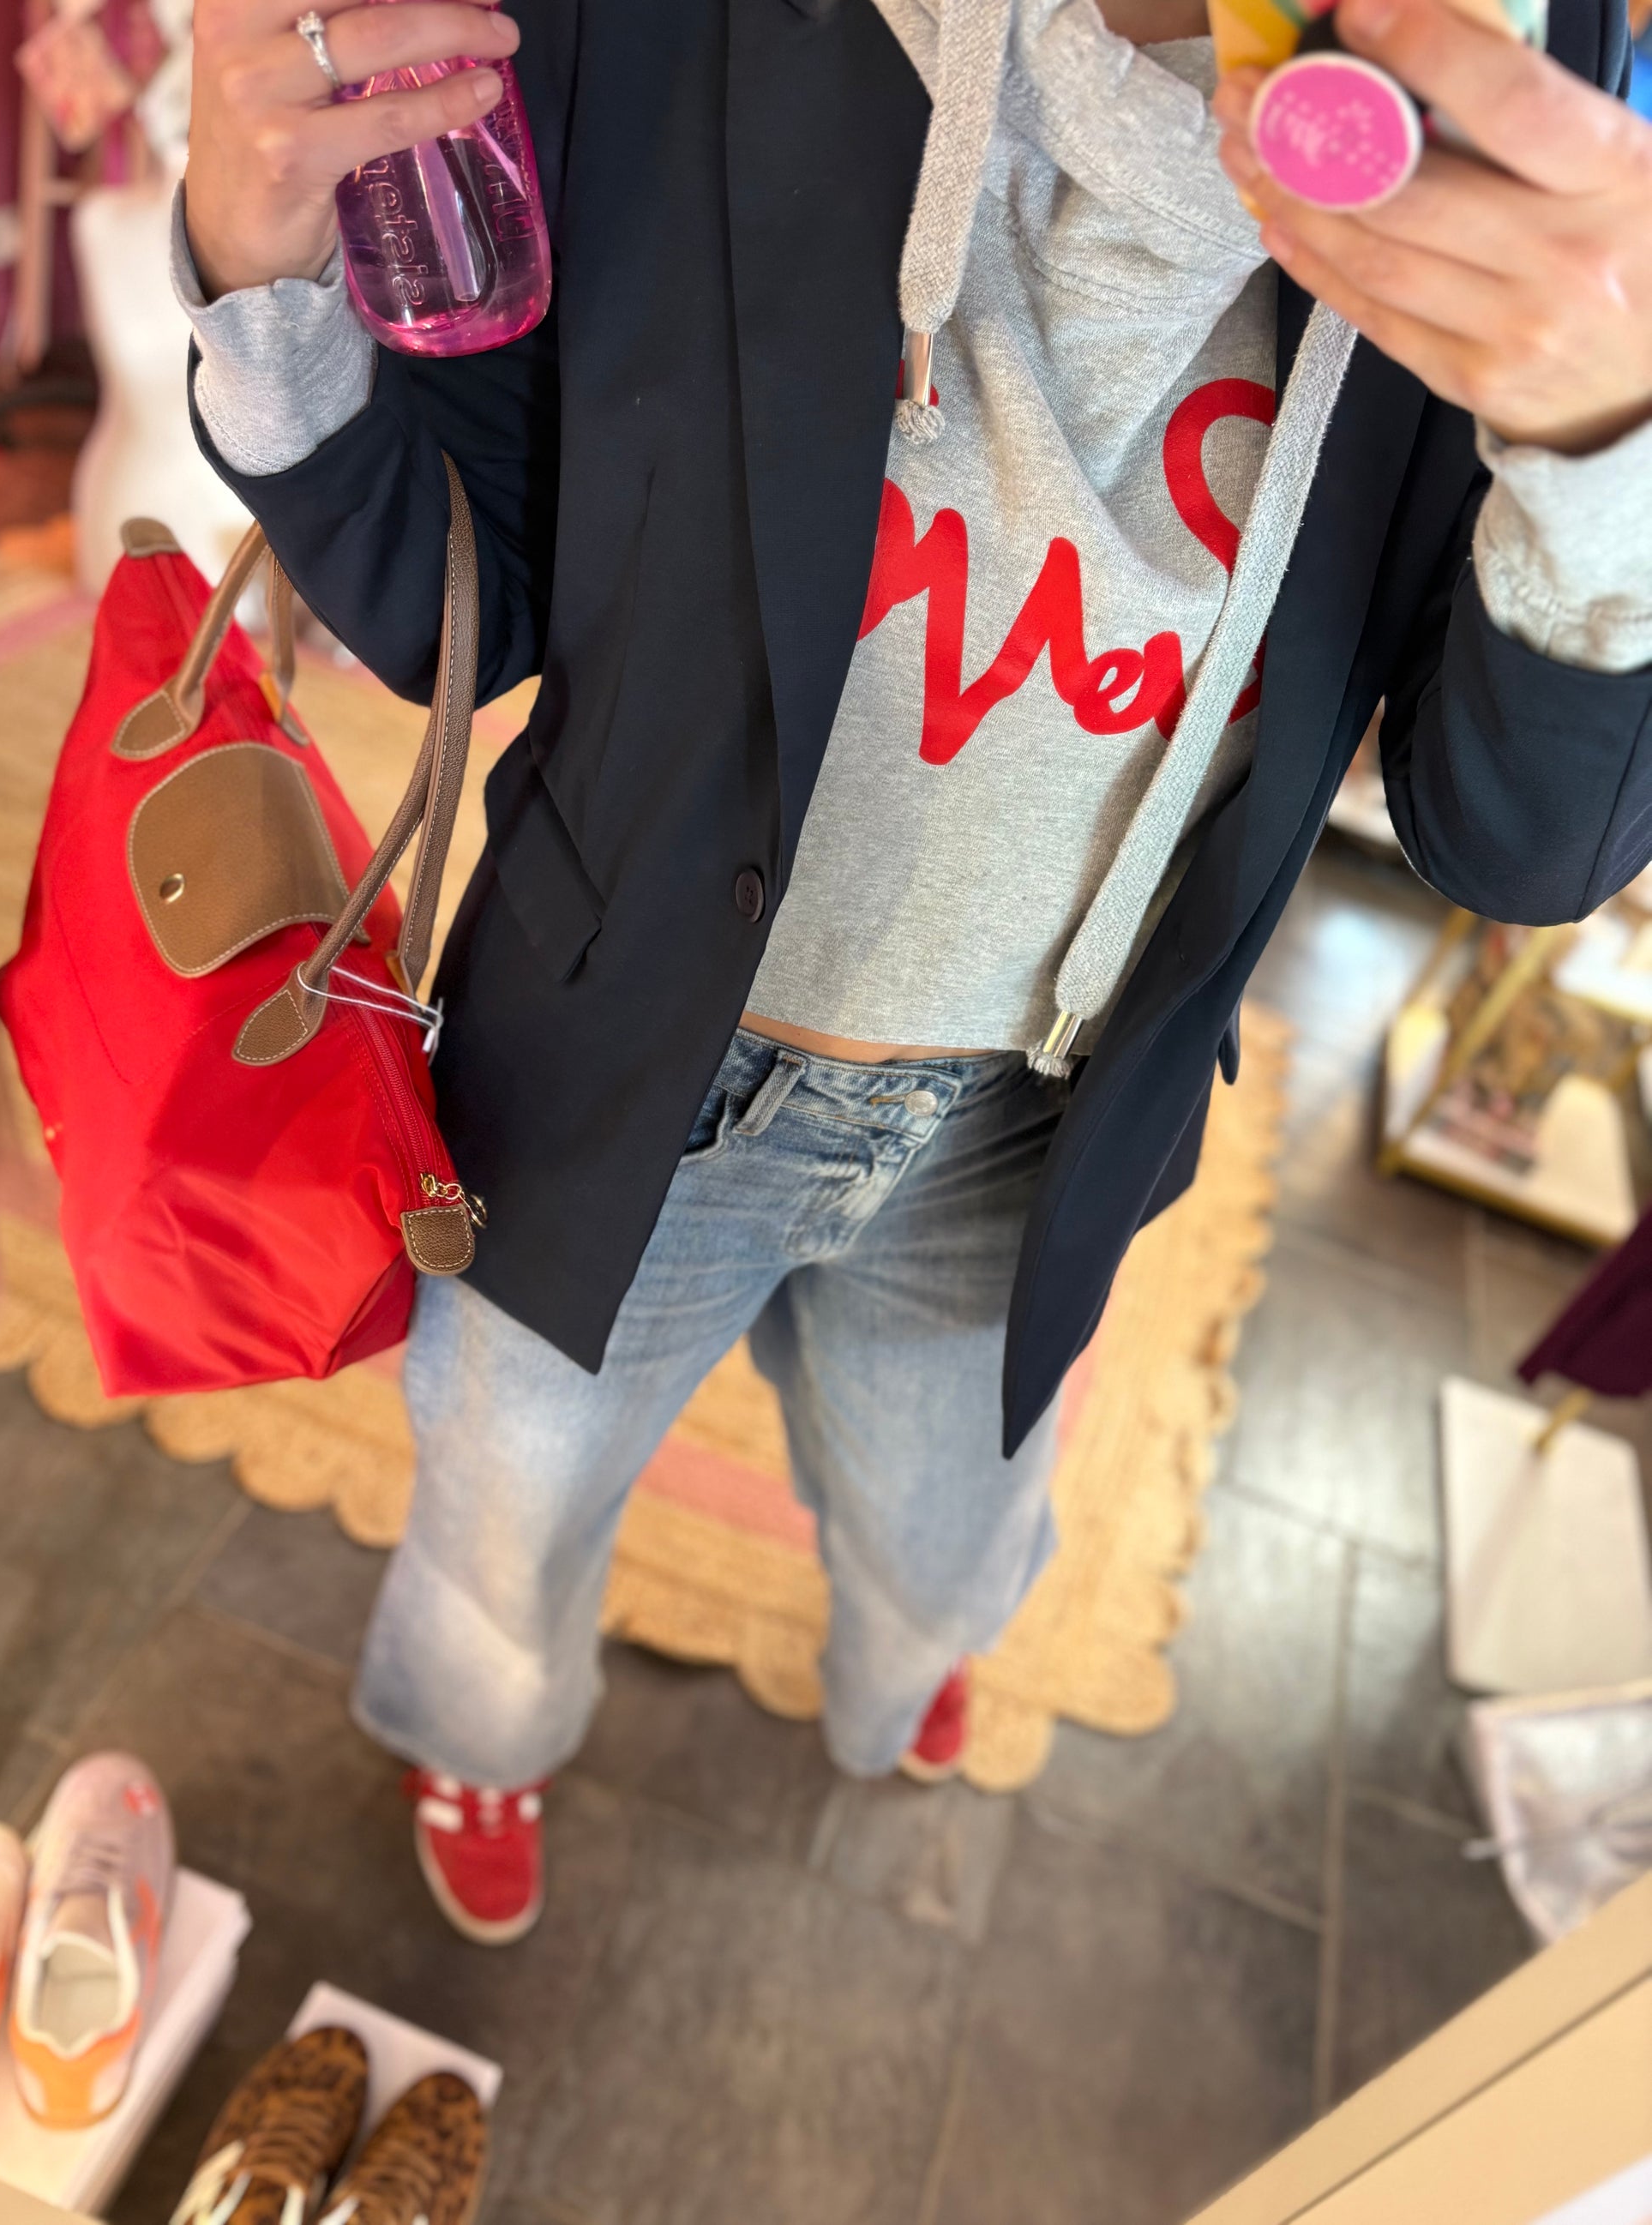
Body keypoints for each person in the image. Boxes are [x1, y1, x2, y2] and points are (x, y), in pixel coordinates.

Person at [180, 0, 1652, 1944]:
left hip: (1037, 1129)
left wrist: (1606, 447)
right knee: (496, 1524)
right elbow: (464, 574)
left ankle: (914, 1656)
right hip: (611, 1053)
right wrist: (262, 273)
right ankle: (480, 1732)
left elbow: (1513, 836)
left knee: (946, 1534)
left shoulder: (1533, 100)